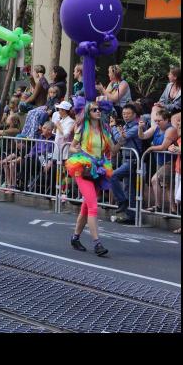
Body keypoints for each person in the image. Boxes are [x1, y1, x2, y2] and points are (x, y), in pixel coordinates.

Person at [65, 102, 119, 256]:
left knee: (86, 207)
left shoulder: (105, 129)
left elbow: (113, 150)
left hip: (98, 169)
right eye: (94, 110)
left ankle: (75, 238)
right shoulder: (83, 128)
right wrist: (78, 150)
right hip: (84, 169)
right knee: (93, 206)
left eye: (99, 109)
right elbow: (72, 146)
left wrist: (121, 138)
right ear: (89, 113)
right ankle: (97, 243)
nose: (98, 111)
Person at [138, 107, 179, 213]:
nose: (157, 123)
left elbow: (163, 147)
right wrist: (140, 128)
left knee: (154, 179)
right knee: (168, 185)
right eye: (156, 120)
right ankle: (173, 209)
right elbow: (143, 136)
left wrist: (150, 148)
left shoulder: (171, 130)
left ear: (166, 120)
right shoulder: (156, 128)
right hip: (160, 161)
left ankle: (158, 206)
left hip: (170, 162)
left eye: (159, 121)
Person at [109, 103, 143, 225]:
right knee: (128, 187)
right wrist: (116, 130)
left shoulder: (136, 127)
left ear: (134, 115)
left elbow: (120, 139)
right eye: (124, 114)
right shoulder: (125, 126)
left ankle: (122, 202)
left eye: (128, 113)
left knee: (113, 176)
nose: (125, 116)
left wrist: (113, 127)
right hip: (125, 158)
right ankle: (130, 215)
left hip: (133, 160)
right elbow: (118, 139)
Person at [168, 112, 181, 233]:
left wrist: (179, 149)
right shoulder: (179, 138)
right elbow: (174, 147)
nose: (178, 126)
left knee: (179, 198)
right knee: (178, 200)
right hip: (178, 171)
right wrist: (171, 148)